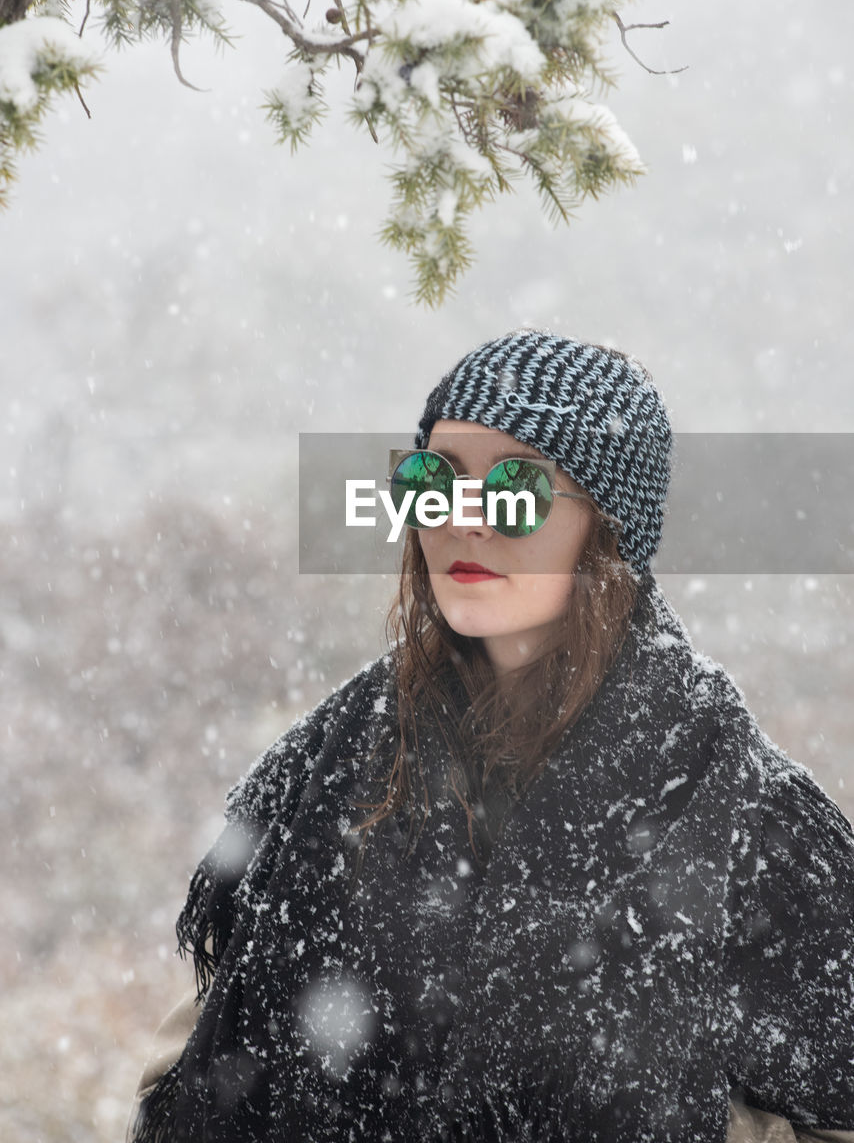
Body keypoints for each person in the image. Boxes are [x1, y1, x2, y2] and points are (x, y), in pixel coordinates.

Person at [130, 330, 854, 1143]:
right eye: (432, 482)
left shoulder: (736, 806)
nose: (463, 521)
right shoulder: (332, 765)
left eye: (516, 488)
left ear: (610, 528)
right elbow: (206, 1052)